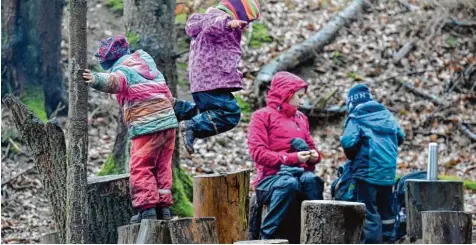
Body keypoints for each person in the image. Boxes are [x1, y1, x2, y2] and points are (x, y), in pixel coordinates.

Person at [82, 35, 178, 223]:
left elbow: (115, 82)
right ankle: (164, 208)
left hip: (146, 124)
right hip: (168, 123)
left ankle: (148, 209)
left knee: (141, 166)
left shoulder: (123, 69)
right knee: (162, 166)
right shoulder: (149, 68)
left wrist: (95, 79)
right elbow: (169, 95)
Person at [174, 0, 261, 154]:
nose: (245, 26)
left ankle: (178, 109)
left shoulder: (206, 22)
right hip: (212, 81)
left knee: (208, 113)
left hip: (206, 81)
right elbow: (212, 24)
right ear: (235, 14)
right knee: (230, 114)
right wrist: (227, 23)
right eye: (245, 21)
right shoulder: (216, 21)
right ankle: (191, 126)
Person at [247, 71, 323, 241]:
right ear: (286, 94)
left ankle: (317, 235)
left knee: (312, 181)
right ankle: (268, 238)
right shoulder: (261, 116)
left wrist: (313, 156)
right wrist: (292, 158)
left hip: (299, 174)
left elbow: (313, 150)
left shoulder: (301, 118)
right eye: (299, 97)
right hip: (269, 178)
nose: (302, 102)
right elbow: (258, 154)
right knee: (287, 184)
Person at [340, 83, 405, 243]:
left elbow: (348, 142)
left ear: (351, 103)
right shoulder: (387, 115)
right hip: (387, 173)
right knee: (386, 211)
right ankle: (389, 240)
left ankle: (371, 242)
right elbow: (401, 136)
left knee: (369, 212)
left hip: (366, 173)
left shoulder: (356, 117)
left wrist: (353, 155)